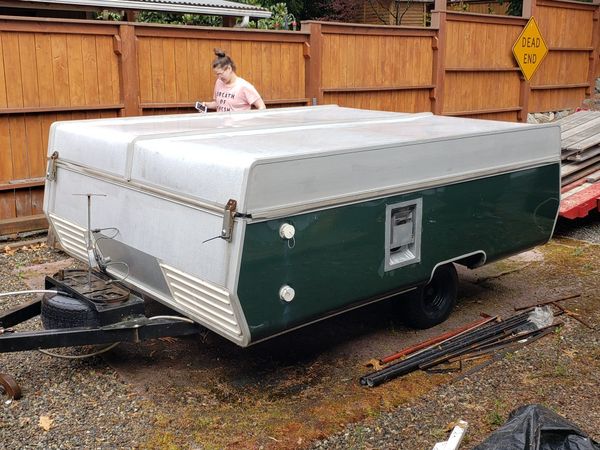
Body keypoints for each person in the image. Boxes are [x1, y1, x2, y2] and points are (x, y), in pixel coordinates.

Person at [200, 49, 266, 112]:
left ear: (229, 68)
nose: (219, 77)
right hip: (221, 123)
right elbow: (220, 104)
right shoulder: (219, 82)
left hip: (238, 124)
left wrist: (250, 121)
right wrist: (206, 105)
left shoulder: (244, 86)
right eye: (217, 74)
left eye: (220, 74)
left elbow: (262, 107)